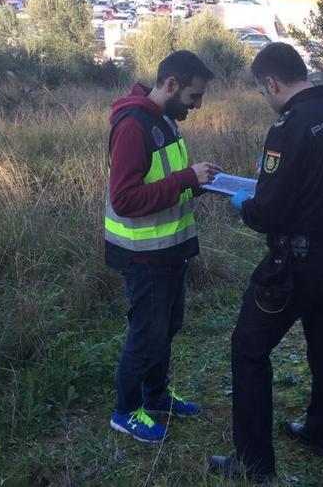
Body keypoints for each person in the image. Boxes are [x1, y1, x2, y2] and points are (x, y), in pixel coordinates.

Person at [208, 43, 323, 483]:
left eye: (264, 93)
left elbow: (270, 214)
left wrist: (245, 204)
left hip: (296, 264)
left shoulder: (288, 128)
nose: (267, 99)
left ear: (272, 83)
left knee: (248, 349)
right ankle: (322, 432)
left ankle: (254, 464)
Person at [105, 50, 223, 443]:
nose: (198, 105)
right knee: (146, 334)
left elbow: (165, 184)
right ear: (170, 85)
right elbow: (125, 199)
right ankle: (125, 411)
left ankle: (155, 397)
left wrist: (198, 183)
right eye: (193, 96)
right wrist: (186, 178)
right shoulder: (133, 126)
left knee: (166, 329)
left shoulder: (166, 120)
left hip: (171, 251)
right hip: (144, 256)